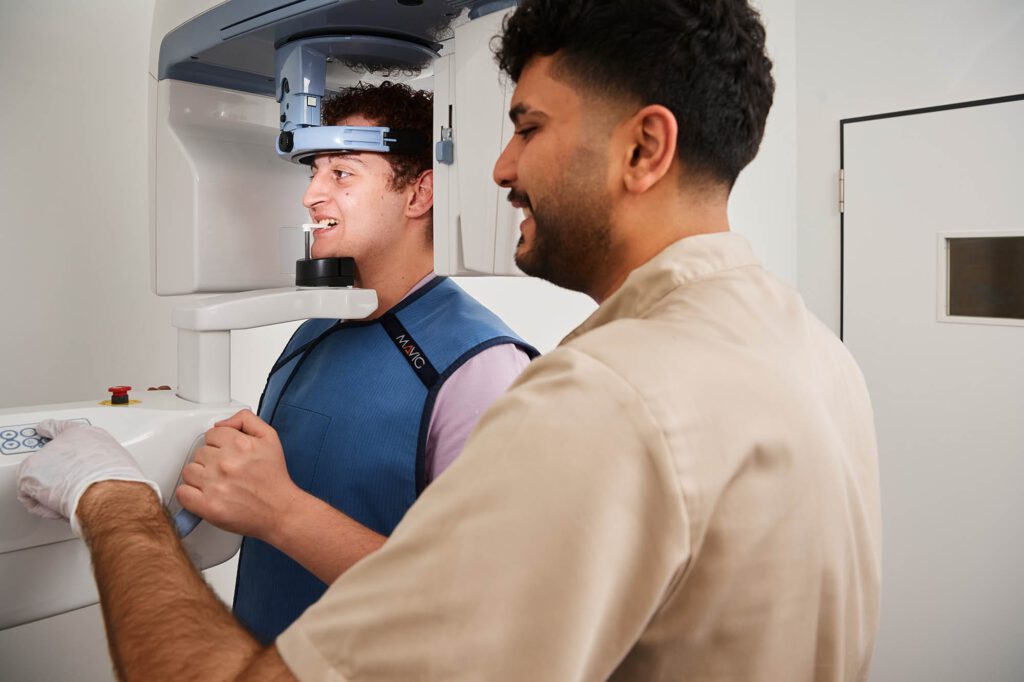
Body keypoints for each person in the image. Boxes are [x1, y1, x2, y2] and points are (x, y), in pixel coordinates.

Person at [17, 1, 882, 680]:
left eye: (529, 128)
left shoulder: (573, 392)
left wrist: (113, 498)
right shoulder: (810, 354)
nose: (501, 167)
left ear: (645, 148)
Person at [208, 81, 539, 643]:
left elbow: (481, 604)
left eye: (341, 174)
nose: (311, 195)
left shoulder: (480, 368)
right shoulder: (314, 331)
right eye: (314, 172)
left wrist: (281, 511)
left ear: (419, 194)